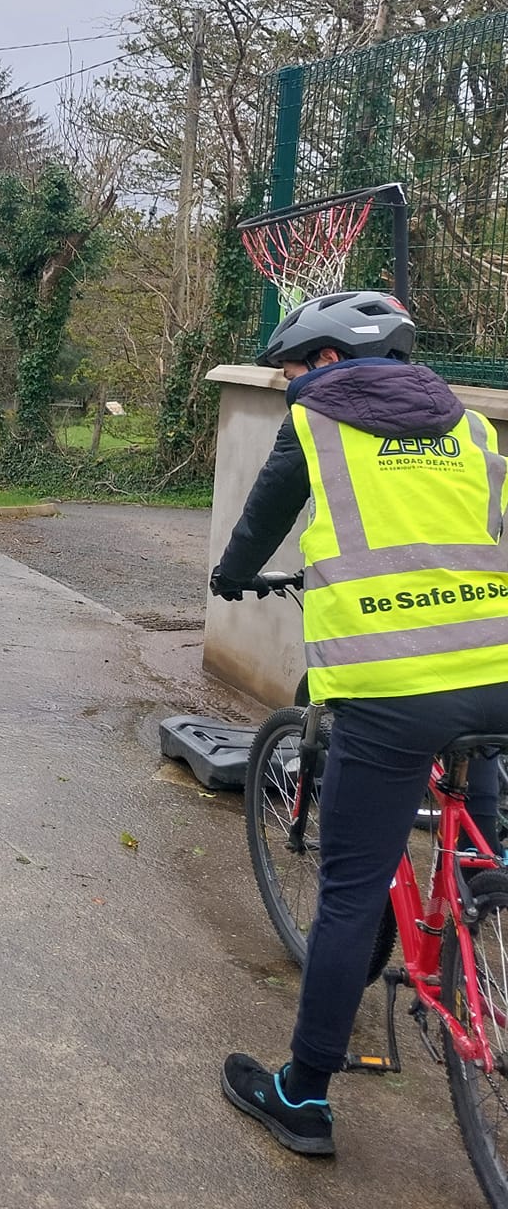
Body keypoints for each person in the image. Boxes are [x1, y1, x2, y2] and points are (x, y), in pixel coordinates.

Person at [210, 289, 508, 1157]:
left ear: (331, 363)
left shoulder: (316, 427)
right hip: (498, 669)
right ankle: (474, 924)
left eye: (295, 369)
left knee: (346, 895)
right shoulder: (474, 430)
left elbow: (261, 523)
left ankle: (302, 1098)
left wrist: (231, 579)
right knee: (474, 838)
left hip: (390, 688)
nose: (291, 386)